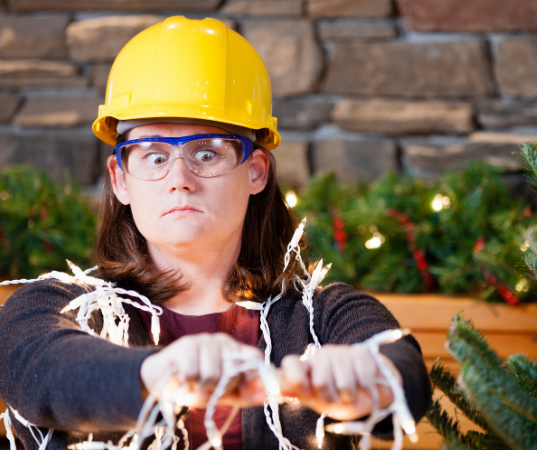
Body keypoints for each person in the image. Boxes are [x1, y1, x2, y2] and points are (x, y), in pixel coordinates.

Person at [0, 16, 431, 450]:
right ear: (120, 179)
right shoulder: (53, 308)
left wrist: (371, 378)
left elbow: (404, 370)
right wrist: (161, 373)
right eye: (153, 157)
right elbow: (40, 371)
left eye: (206, 152)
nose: (180, 178)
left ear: (256, 172)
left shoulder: (323, 316)